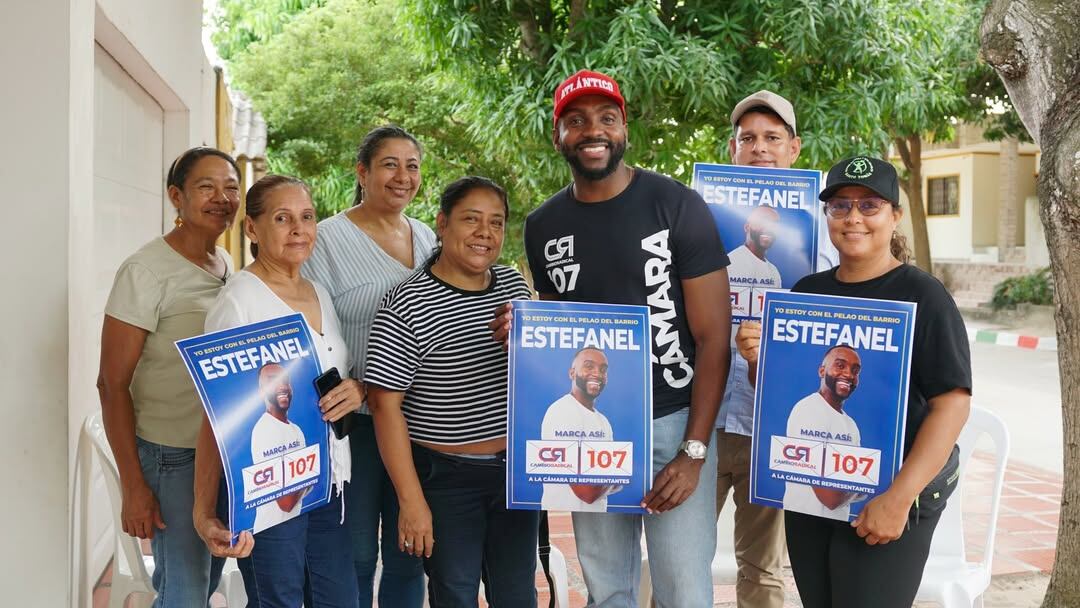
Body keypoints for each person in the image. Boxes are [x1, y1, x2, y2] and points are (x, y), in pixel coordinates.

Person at [495, 68, 732, 607]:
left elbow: (713, 336)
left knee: (685, 591)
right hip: (590, 432)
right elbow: (561, 336)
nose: (592, 131)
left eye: (606, 118)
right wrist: (524, 334)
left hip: (674, 422)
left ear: (624, 128)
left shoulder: (676, 205)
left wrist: (694, 451)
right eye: (575, 121)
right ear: (558, 136)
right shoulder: (543, 224)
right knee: (607, 590)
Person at [736, 156, 971, 608]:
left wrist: (900, 497)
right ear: (827, 216)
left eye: (870, 206)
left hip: (889, 494)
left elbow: (953, 404)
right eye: (840, 206)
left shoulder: (924, 295)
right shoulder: (806, 293)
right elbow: (777, 393)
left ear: (894, 216)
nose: (854, 218)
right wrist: (754, 360)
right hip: (811, 490)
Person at [365, 176, 539, 607]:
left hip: (514, 474)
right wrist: (411, 501)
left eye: (496, 223)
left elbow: (542, 375)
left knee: (517, 594)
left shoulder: (513, 289)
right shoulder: (406, 303)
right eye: (471, 219)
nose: (485, 233)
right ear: (442, 224)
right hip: (444, 479)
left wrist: (532, 334)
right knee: (455, 594)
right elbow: (385, 408)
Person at [192, 174, 363, 607]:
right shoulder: (241, 302)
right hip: (268, 488)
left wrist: (355, 389)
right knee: (279, 601)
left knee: (339, 598)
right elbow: (216, 415)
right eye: (282, 218)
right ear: (252, 228)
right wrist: (204, 509)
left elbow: (334, 372)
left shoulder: (319, 292)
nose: (298, 229)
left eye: (307, 217)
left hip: (327, 480)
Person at [97, 147, 240, 607]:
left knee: (205, 582)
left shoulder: (226, 267)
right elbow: (111, 384)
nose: (222, 198)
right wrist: (135, 487)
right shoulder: (146, 271)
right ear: (176, 196)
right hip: (172, 457)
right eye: (206, 187)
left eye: (231, 187)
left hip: (220, 453)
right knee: (184, 596)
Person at [301, 125, 435, 607]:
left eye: (412, 165)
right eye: (390, 165)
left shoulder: (427, 237)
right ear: (362, 172)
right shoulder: (327, 240)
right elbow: (311, 333)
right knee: (353, 553)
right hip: (354, 424)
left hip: (416, 421)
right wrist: (357, 383)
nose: (403, 176)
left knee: (409, 549)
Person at [714, 90, 801, 608]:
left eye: (772, 138)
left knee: (765, 569)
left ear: (794, 148)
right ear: (733, 149)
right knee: (677, 555)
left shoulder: (821, 242)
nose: (760, 149)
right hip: (701, 423)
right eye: (749, 139)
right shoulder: (702, 241)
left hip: (769, 425)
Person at [783, 345, 863, 519]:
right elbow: (831, 498)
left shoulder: (851, 425)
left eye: (855, 371)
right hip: (806, 520)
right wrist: (861, 487)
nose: (849, 374)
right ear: (822, 371)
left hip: (836, 523)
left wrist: (855, 486)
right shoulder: (809, 410)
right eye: (840, 366)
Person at [540, 348, 616, 512]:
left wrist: (613, 475)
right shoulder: (562, 411)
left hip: (596, 514)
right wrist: (617, 475)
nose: (597, 374)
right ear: (572, 373)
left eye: (603, 370)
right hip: (565, 515)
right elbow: (587, 492)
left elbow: (609, 478)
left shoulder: (603, 421)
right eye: (589, 366)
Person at [250, 362, 308, 530]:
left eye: (286, 381)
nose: (282, 386)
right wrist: (310, 476)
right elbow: (286, 502)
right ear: (261, 392)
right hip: (272, 531)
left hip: (293, 524)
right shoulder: (264, 430)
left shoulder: (296, 429)